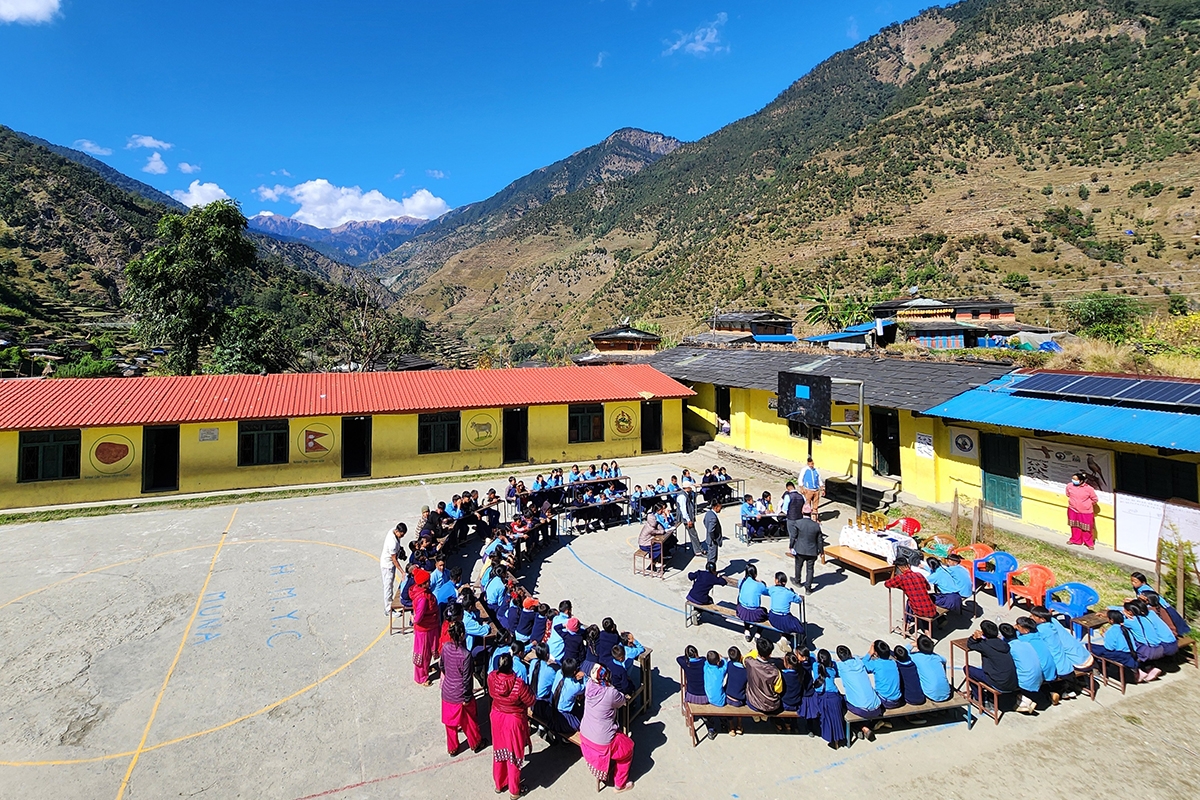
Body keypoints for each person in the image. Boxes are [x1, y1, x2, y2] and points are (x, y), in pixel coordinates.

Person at [579, 665, 635, 793]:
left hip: (585, 733)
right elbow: (621, 701)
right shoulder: (610, 692)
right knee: (628, 749)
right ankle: (620, 784)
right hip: (602, 740)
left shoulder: (589, 685)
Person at [488, 653, 534, 799]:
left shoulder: (491, 677)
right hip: (513, 720)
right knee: (513, 754)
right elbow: (530, 699)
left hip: (497, 716)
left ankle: (499, 782)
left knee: (499, 750)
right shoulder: (518, 684)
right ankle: (514, 789)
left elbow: (490, 693)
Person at [441, 621, 487, 756]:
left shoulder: (445, 647)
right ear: (462, 635)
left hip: (447, 691)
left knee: (450, 724)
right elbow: (467, 679)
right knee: (469, 720)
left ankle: (453, 748)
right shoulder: (465, 655)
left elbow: (442, 666)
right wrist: (467, 697)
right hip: (460, 693)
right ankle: (476, 743)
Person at [966, 620, 1026, 712]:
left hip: (998, 683)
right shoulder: (1004, 644)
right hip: (1011, 682)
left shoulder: (985, 645)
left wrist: (974, 637)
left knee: (967, 669)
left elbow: (970, 645)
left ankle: (981, 699)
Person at [1088, 609, 1160, 683]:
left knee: (1090, 647)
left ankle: (1096, 669)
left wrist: (1105, 636)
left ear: (1111, 620)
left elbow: (1109, 647)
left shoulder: (1112, 631)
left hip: (1121, 654)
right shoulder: (1126, 628)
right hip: (1130, 652)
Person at [836, 645, 881, 740]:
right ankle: (868, 725)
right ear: (850, 654)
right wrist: (869, 652)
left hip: (862, 710)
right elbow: (864, 660)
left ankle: (861, 727)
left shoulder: (840, 666)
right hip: (876, 706)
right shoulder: (859, 662)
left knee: (841, 700)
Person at [999, 622, 1042, 712]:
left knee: (1006, 676)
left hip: (1025, 682)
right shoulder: (1025, 643)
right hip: (1038, 678)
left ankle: (1023, 700)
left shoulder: (1009, 647)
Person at [884, 560, 937, 632]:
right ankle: (927, 631)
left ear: (899, 568)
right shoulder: (919, 575)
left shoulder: (901, 578)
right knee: (917, 602)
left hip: (919, 610)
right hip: (931, 609)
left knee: (910, 602)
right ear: (908, 565)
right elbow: (928, 588)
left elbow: (887, 584)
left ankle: (906, 625)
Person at [785, 500, 823, 594]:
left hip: (800, 549)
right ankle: (808, 588)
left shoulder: (798, 523)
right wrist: (821, 550)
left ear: (802, 512)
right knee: (810, 569)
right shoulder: (816, 526)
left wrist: (791, 545)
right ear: (810, 513)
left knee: (798, 565)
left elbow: (793, 536)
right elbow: (820, 540)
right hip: (812, 551)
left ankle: (797, 580)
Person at [810, 649, 845, 748]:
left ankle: (830, 738)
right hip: (835, 697)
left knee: (827, 718)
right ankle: (838, 738)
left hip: (823, 697)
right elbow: (833, 663)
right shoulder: (832, 670)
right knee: (836, 718)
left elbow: (812, 656)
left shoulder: (815, 666)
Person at [678, 644, 714, 738]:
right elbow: (703, 658)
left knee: (686, 695)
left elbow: (678, 658)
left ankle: (690, 717)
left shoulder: (686, 663)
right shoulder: (703, 661)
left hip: (691, 696)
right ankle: (710, 727)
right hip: (705, 696)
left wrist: (686, 657)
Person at [411, 568, 439, 686]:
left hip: (430, 626)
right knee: (423, 653)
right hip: (424, 629)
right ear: (422, 584)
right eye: (427, 581)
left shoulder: (423, 592)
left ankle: (426, 669)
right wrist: (414, 618)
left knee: (427, 652)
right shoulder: (423, 598)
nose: (429, 583)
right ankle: (421, 677)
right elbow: (418, 617)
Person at [744, 637, 783, 716]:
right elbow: (778, 690)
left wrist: (753, 652)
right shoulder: (775, 671)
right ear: (770, 654)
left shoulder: (749, 662)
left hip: (753, 703)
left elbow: (745, 658)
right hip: (772, 705)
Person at [766, 571, 806, 644]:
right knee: (797, 625)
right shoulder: (789, 593)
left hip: (773, 618)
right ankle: (784, 638)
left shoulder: (772, 589)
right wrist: (794, 593)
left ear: (777, 581)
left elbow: (765, 591)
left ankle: (784, 637)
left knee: (787, 621)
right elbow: (799, 600)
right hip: (784, 619)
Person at [909, 635, 952, 702]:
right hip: (946, 692)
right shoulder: (936, 657)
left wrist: (911, 645)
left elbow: (902, 653)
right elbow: (944, 660)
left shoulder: (915, 657)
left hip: (931, 694)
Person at [865, 640, 903, 711]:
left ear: (876, 653)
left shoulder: (876, 664)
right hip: (897, 699)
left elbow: (862, 665)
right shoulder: (893, 663)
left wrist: (869, 653)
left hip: (885, 701)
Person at [1065, 471, 1100, 550]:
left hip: (1086, 512)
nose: (1073, 481)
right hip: (1073, 509)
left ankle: (1089, 543)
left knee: (1087, 528)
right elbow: (1067, 494)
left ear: (1081, 481)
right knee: (1074, 526)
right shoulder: (1069, 486)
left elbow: (1095, 499)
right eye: (1073, 479)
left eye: (1075, 480)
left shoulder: (1089, 489)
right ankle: (1075, 539)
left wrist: (1086, 505)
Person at [736, 564, 769, 642]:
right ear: (755, 574)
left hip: (741, 611)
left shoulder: (741, 581)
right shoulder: (759, 585)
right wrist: (761, 582)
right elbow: (766, 591)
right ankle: (758, 633)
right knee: (765, 613)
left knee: (745, 608)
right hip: (754, 613)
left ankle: (747, 630)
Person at [380, 522, 407, 615]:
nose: (402, 537)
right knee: (388, 586)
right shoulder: (392, 543)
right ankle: (388, 609)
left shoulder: (392, 531)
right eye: (401, 535)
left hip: (389, 563)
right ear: (397, 531)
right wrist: (402, 572)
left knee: (389, 586)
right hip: (388, 565)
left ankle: (390, 604)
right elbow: (394, 560)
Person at [891, 645, 927, 709]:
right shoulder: (913, 663)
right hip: (921, 697)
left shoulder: (898, 667)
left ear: (896, 657)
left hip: (910, 699)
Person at [724, 646, 748, 734]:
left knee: (729, 707)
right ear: (740, 656)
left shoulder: (729, 665)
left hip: (728, 697)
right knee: (742, 702)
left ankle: (731, 726)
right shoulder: (746, 671)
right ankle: (739, 724)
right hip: (739, 699)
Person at [679, 484, 702, 555]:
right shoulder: (682, 496)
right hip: (687, 519)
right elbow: (683, 510)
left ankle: (698, 549)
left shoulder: (687, 494)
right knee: (693, 533)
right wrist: (688, 520)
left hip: (690, 517)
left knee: (693, 533)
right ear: (687, 488)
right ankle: (698, 550)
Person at [799, 457, 822, 521]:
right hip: (808, 490)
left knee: (815, 506)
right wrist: (801, 487)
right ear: (808, 463)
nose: (812, 465)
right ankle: (807, 518)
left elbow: (819, 479)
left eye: (813, 463)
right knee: (807, 505)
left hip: (816, 490)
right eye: (811, 463)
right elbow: (800, 479)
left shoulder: (816, 470)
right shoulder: (804, 470)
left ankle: (814, 519)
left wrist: (822, 487)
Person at [702, 500, 723, 568]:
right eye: (720, 507)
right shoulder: (713, 517)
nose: (721, 509)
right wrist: (714, 538)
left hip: (709, 539)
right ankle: (710, 573)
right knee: (712, 558)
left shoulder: (708, 513)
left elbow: (704, 521)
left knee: (710, 557)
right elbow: (711, 530)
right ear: (716, 507)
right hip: (712, 541)